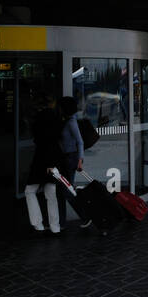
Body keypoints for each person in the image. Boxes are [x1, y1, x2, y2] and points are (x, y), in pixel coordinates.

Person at [23, 94, 63, 234]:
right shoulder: (56, 118)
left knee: (30, 190)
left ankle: (38, 224)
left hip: (42, 160)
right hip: (53, 159)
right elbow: (53, 141)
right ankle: (55, 227)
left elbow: (42, 141)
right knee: (51, 193)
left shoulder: (39, 119)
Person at [54, 96, 92, 229]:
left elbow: (80, 142)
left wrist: (80, 161)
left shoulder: (71, 122)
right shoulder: (65, 121)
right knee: (62, 191)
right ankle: (61, 222)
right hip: (65, 159)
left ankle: (85, 215)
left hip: (71, 160)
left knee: (66, 191)